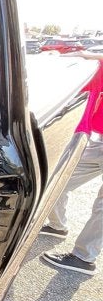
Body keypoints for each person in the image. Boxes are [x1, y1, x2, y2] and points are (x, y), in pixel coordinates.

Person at [41, 51, 103, 275]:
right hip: (100, 141)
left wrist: (83, 55)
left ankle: (84, 257)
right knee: (59, 180)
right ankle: (58, 226)